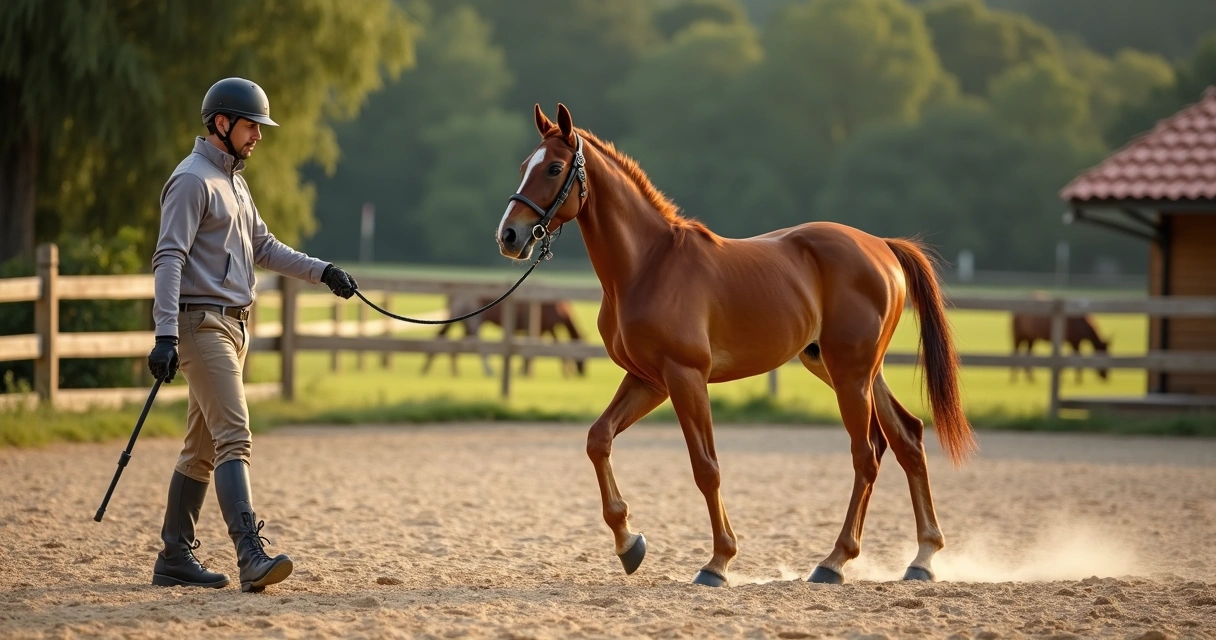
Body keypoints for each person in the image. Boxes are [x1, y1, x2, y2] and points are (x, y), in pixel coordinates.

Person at [146, 77, 358, 592]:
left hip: (235, 326)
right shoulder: (192, 180)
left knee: (200, 448)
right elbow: (168, 256)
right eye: (251, 126)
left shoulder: (234, 182)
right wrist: (166, 333)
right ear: (221, 124)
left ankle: (174, 556)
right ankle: (250, 555)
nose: (258, 136)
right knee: (234, 436)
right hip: (202, 325)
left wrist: (322, 270)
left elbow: (263, 245)